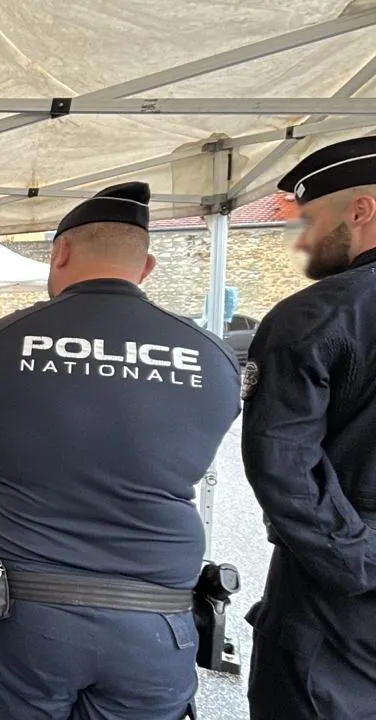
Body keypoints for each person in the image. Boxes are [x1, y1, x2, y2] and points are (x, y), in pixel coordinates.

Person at [0, 182, 240, 719]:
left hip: (25, 612)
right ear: (146, 266)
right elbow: (195, 446)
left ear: (60, 252)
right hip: (155, 619)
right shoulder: (210, 355)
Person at [240, 138, 376, 719]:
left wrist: (359, 563)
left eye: (309, 222)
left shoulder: (318, 313)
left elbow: (281, 466)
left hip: (336, 610)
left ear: (361, 210)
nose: (300, 242)